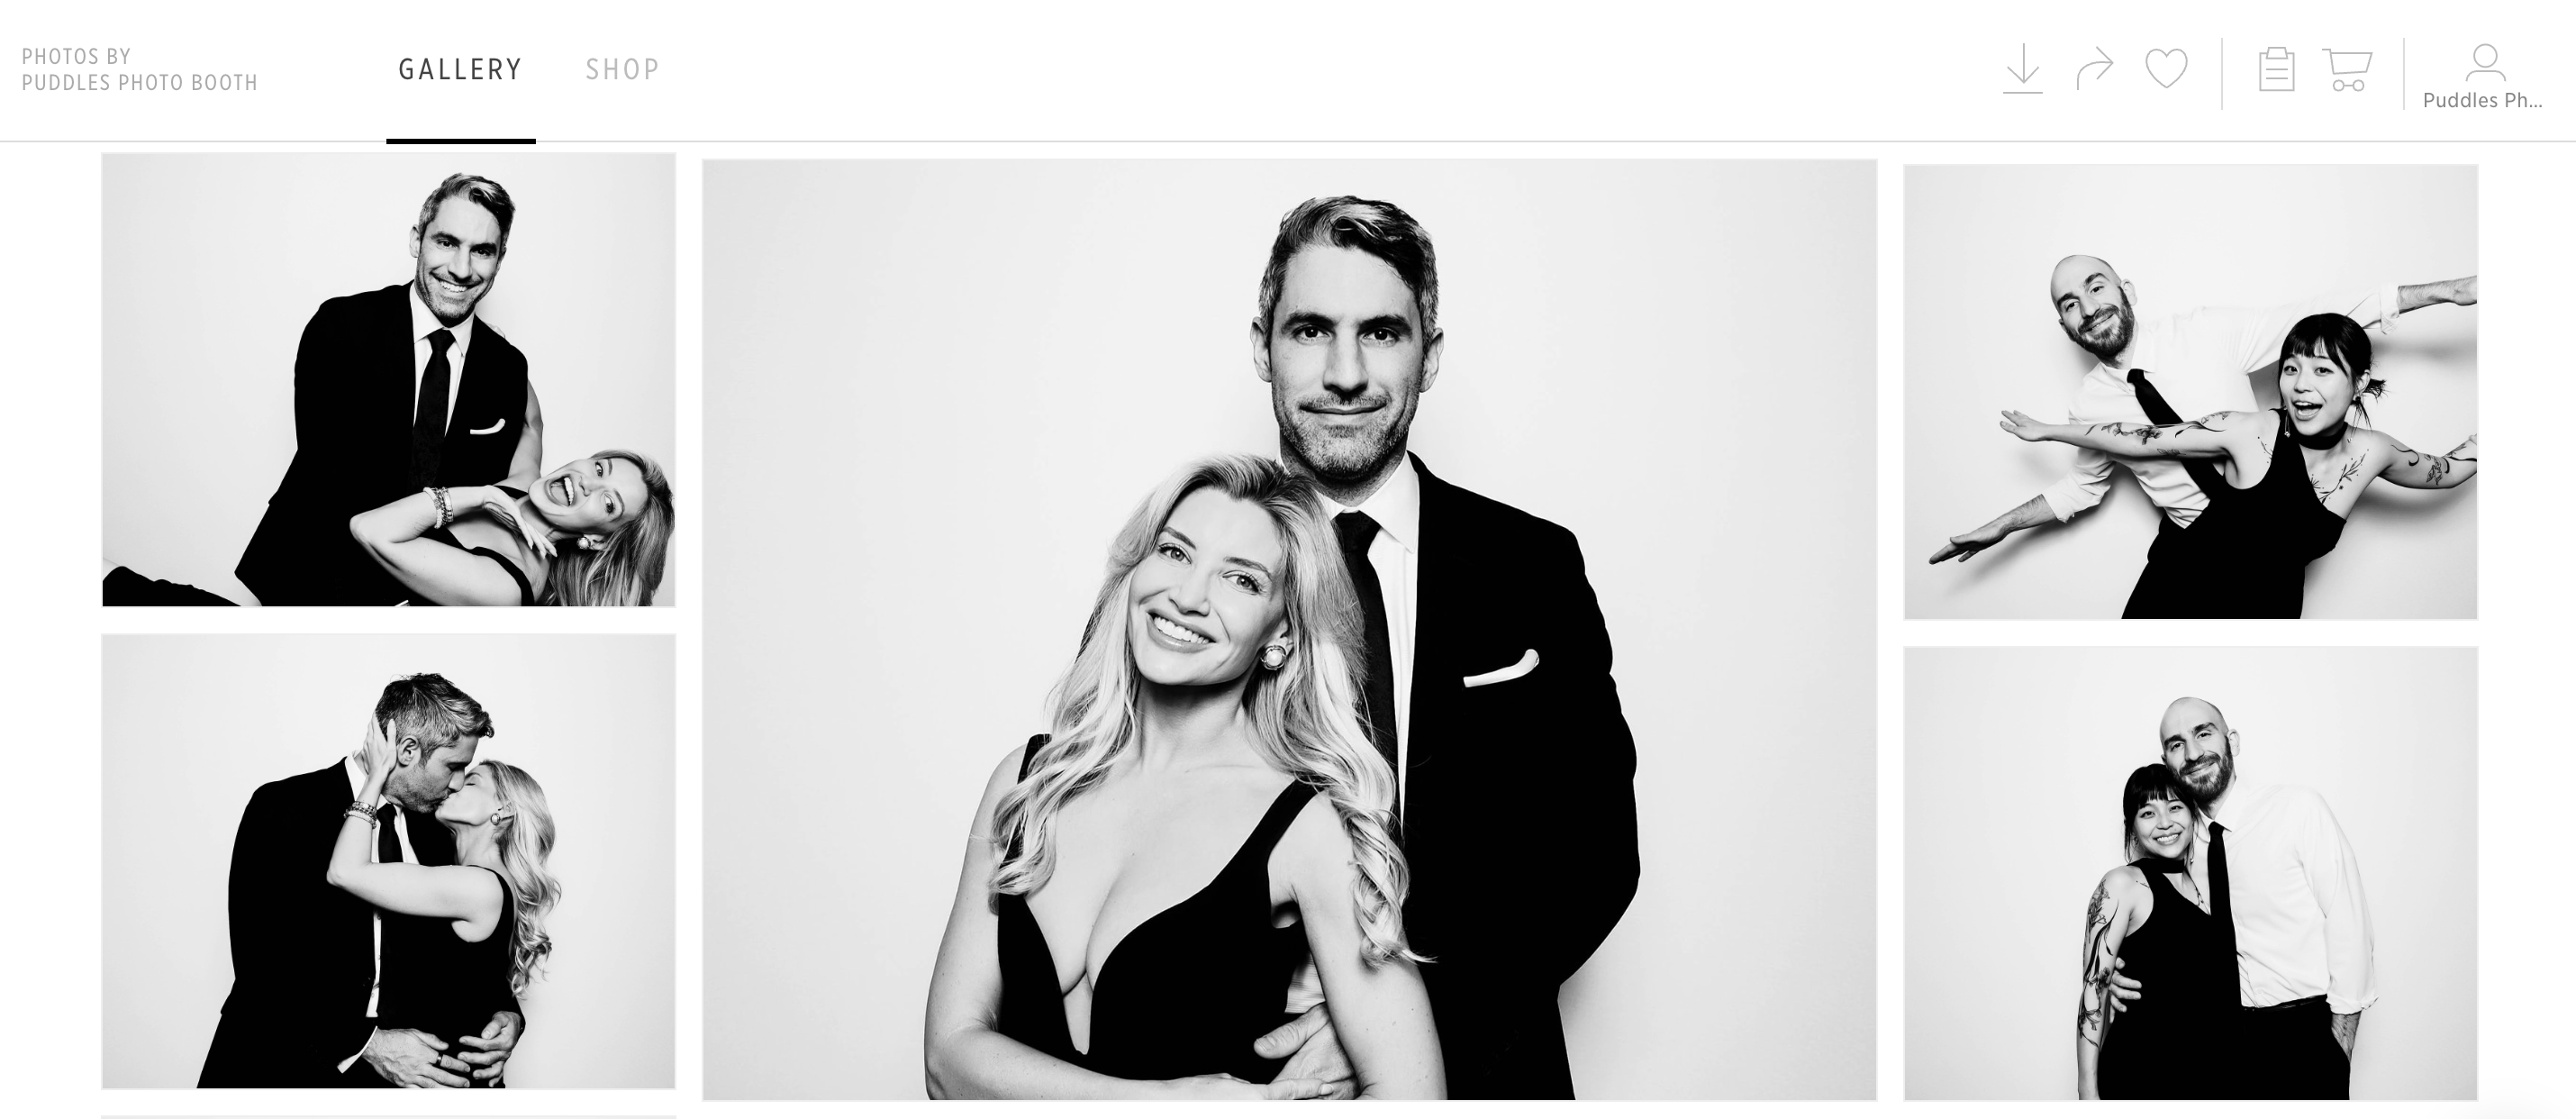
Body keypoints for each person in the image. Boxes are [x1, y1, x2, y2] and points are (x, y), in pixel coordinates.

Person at [1242, 197, 1637, 1099]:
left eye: (1381, 333)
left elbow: (1595, 855)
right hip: (1255, 1083)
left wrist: (1387, 1033)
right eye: (1310, 330)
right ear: (1261, 345)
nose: (1345, 373)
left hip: (1491, 1078)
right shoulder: (1188, 582)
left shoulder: (1532, 567)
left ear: (1431, 355)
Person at [923, 456, 1443, 1099]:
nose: (1189, 596)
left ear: (1281, 633)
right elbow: (948, 1061)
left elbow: (1414, 1097)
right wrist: (1171, 1104)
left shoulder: (1307, 828)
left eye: (1242, 580)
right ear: (1136, 571)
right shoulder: (1027, 784)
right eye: (1175, 552)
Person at [1928, 254, 2475, 615]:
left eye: (2096, 287)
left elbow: (2320, 321)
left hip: (2270, 575)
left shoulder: (2209, 332)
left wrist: (2450, 290)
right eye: (2070, 304)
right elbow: (2091, 480)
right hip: (2188, 553)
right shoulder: (2096, 404)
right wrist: (1999, 526)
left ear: (2127, 290)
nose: (2088, 307)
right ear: (2065, 325)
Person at [199, 674, 526, 1087]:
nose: (458, 782)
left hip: (400, 1078)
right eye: (454, 765)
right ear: (407, 751)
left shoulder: (440, 830)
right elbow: (260, 966)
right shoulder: (284, 808)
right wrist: (365, 1043)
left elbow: (462, 957)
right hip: (288, 1069)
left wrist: (506, 1013)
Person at [236, 173, 545, 605]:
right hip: (309, 577)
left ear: (500, 258)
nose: (460, 268)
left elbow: (502, 490)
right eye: (446, 242)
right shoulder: (342, 326)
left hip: (427, 595)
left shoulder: (508, 368)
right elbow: (328, 473)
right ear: (418, 240)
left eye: (481, 251)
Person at [2097, 698, 2377, 1099]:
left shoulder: (2297, 810)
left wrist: (2338, 1048)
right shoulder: (2182, 843)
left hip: (2303, 1037)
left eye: (2203, 733)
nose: (2193, 753)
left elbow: (2352, 927)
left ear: (2233, 741)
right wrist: (2123, 976)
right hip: (2220, 1053)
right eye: (2177, 745)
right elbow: (2172, 934)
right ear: (2167, 761)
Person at [326, 722, 559, 1089]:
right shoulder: (471, 876)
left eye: (471, 782)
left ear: (503, 812)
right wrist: (511, 1016)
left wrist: (375, 778)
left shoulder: (478, 886)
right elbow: (476, 983)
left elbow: (345, 871)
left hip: (450, 1087)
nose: (453, 783)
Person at [2075, 765, 2235, 1099]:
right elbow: (2094, 993)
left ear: (2193, 815)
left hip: (2210, 1078)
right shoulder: (2123, 884)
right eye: (2148, 812)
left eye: (2175, 807)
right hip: (2141, 1077)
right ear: (2131, 827)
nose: (2164, 823)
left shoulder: (2212, 880)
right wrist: (2088, 1097)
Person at [349, 450, 676, 605]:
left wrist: (482, 496)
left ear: (599, 539)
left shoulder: (509, 585)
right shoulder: (524, 482)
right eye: (600, 469)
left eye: (609, 504)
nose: (589, 482)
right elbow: (532, 424)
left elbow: (369, 529)